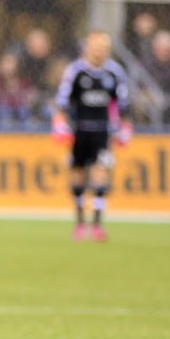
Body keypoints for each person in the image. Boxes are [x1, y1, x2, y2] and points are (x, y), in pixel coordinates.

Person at [51, 31, 132, 241]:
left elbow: (123, 104)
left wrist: (124, 127)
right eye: (95, 45)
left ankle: (96, 224)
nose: (99, 49)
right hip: (79, 130)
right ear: (87, 46)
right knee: (78, 173)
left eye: (103, 45)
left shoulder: (114, 73)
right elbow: (62, 101)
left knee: (100, 172)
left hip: (103, 131)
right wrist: (60, 124)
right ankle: (79, 223)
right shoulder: (76, 71)